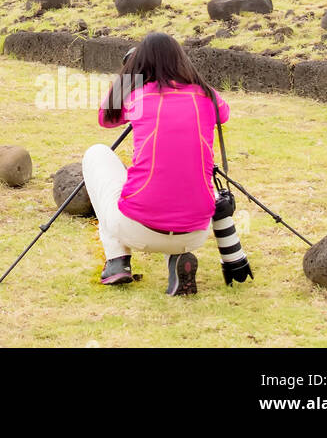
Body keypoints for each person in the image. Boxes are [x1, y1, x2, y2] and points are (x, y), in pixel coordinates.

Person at [82, 32, 230, 296]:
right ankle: (177, 259)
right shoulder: (206, 96)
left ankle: (117, 261)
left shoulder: (137, 96)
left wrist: (128, 75)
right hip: (196, 232)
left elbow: (105, 118)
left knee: (96, 153)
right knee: (177, 187)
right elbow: (225, 113)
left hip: (137, 228)